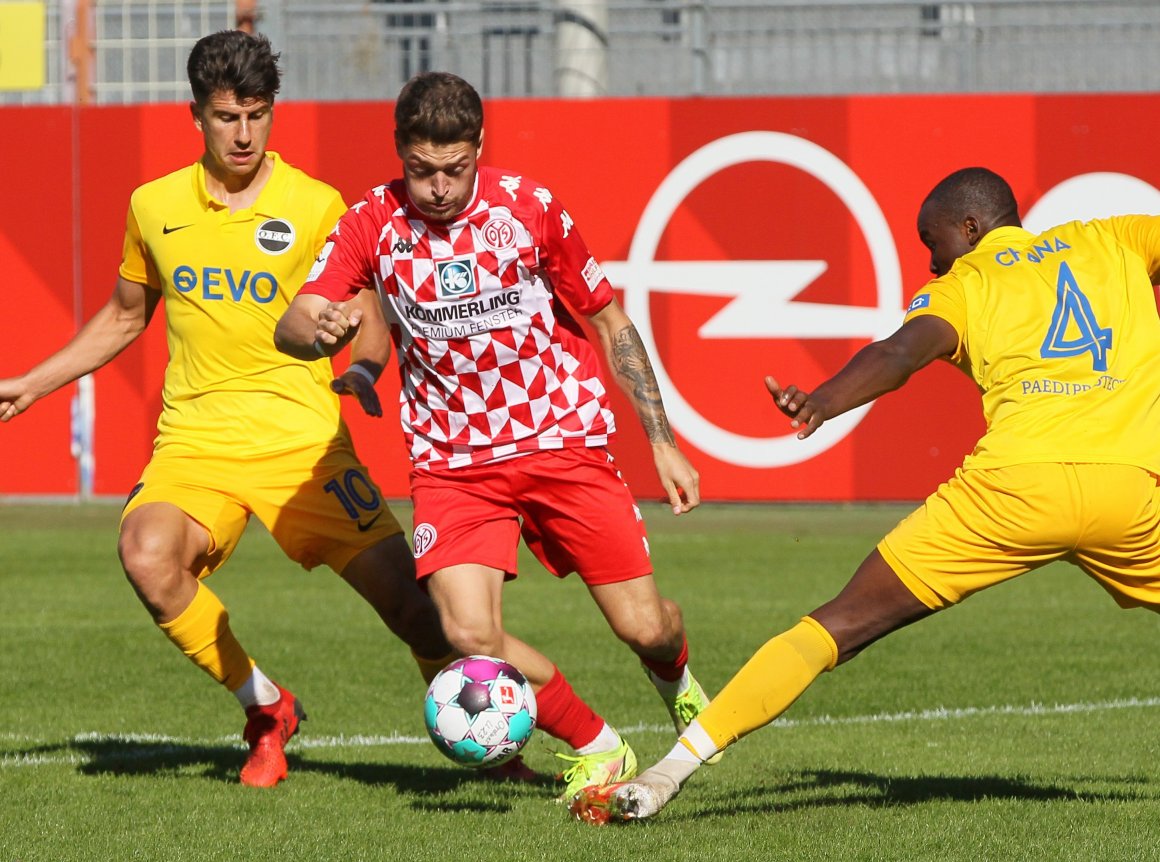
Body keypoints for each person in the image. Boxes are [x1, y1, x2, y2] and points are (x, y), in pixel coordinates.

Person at [568, 166, 1160, 823]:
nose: (931, 261)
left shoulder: (968, 283)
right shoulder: (1115, 240)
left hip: (1014, 491)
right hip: (1130, 492)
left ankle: (664, 777)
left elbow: (899, 352)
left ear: (970, 229)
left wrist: (823, 400)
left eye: (931, 241)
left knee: (836, 625)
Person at [0, 30, 458, 789]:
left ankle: (493, 740)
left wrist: (364, 365)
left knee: (418, 613)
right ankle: (266, 706)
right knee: (146, 554)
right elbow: (123, 316)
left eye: (256, 114)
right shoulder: (155, 206)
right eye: (225, 117)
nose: (243, 133)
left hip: (304, 447)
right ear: (196, 116)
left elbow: (366, 313)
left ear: (272, 111)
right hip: (197, 444)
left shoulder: (316, 206)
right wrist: (34, 382)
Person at [274, 71, 716, 799]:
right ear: (399, 153)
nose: (439, 187)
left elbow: (609, 321)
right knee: (469, 638)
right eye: (422, 170)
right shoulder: (371, 221)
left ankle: (676, 680)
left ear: (479, 149)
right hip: (453, 463)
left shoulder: (531, 209)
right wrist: (311, 329)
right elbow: (299, 316)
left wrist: (661, 439)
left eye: (454, 169)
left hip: (561, 438)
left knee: (646, 628)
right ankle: (599, 745)